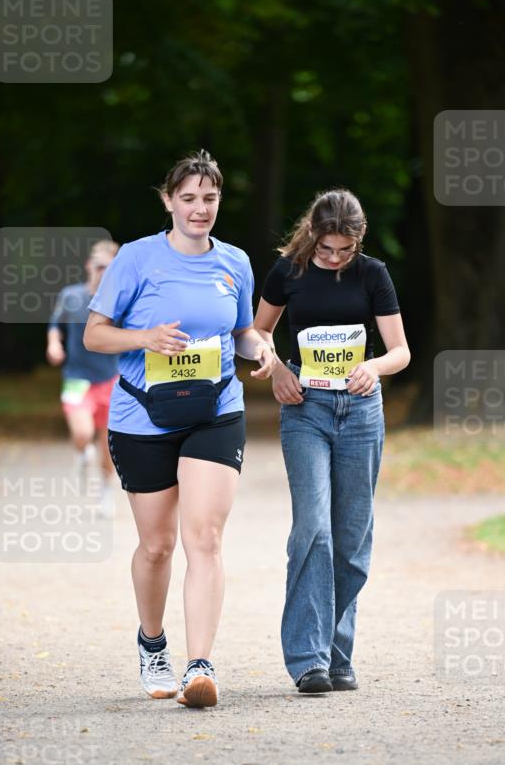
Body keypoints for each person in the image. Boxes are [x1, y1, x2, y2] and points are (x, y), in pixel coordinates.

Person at [83, 150, 275, 707]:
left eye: (209, 199)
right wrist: (144, 338)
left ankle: (199, 666)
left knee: (205, 538)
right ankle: (152, 645)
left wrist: (259, 348)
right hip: (143, 416)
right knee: (158, 545)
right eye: (188, 198)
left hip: (216, 409)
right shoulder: (137, 260)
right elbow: (96, 335)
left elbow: (240, 331)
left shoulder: (235, 262)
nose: (199, 209)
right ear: (168, 200)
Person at [254, 189, 410, 694]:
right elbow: (256, 333)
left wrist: (374, 366)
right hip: (306, 409)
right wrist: (275, 367)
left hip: (361, 411)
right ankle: (307, 659)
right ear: (312, 235)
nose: (335, 258)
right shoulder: (288, 272)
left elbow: (401, 351)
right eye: (327, 249)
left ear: (358, 241)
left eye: (345, 250)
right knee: (314, 530)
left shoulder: (373, 274)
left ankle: (339, 654)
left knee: (351, 539)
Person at [46, 240, 120, 517]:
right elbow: (55, 325)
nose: (103, 273)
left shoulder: (119, 301)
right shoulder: (71, 296)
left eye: (110, 269)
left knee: (108, 446)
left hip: (111, 380)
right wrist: (54, 344)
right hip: (77, 378)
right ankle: (81, 453)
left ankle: (105, 492)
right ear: (89, 266)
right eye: (100, 267)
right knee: (82, 433)